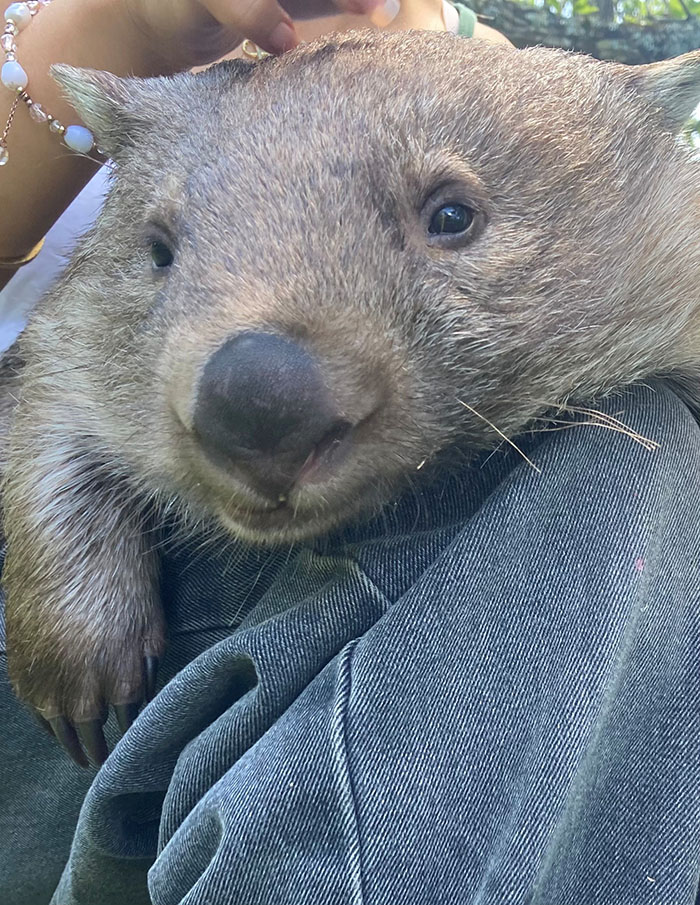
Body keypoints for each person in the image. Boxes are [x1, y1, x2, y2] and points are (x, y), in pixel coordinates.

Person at [3, 4, 700, 905]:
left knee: (635, 450)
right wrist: (120, 26)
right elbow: (61, 363)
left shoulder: (497, 71)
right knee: (616, 471)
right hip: (139, 659)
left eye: (451, 219)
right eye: (170, 253)